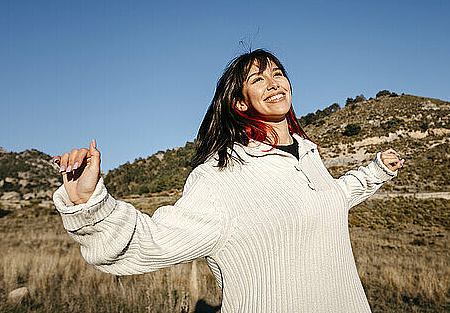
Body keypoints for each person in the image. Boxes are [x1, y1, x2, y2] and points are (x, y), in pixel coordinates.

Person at [52, 48, 405, 312]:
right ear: (239, 103)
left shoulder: (308, 155)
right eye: (257, 79)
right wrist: (89, 204)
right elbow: (151, 242)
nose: (273, 83)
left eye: (278, 73)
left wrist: (375, 171)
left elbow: (331, 197)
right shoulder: (220, 177)